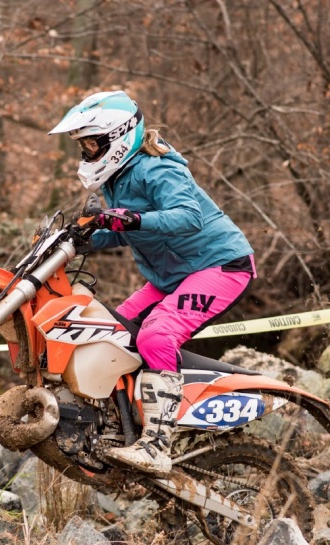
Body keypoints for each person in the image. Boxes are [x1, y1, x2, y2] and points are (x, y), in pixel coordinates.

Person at [48, 90, 255, 476]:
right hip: (172, 274)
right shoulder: (117, 178)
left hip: (219, 266)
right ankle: (120, 427)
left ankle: (157, 445)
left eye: (92, 144)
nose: (87, 152)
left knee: (157, 336)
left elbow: (188, 217)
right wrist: (79, 240)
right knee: (109, 333)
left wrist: (130, 219)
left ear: (117, 137)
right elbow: (127, 231)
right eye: (84, 146)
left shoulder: (157, 168)